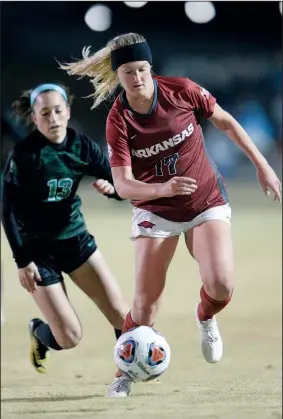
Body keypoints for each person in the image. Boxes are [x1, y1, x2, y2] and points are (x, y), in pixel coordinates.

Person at [61, 32, 282, 397]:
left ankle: (206, 316)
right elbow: (123, 185)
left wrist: (262, 166)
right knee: (145, 306)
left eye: (142, 69)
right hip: (155, 210)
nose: (137, 78)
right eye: (128, 72)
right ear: (118, 76)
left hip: (204, 201)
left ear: (151, 68)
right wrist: (162, 190)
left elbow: (225, 121)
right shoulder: (119, 120)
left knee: (221, 285)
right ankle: (123, 374)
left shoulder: (182, 90)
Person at [1, 83, 130, 374]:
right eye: (44, 113)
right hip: (37, 255)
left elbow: (121, 189)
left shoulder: (83, 147)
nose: (53, 119)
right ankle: (39, 332)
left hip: (76, 243)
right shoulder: (23, 156)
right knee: (69, 337)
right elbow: (7, 212)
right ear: (34, 118)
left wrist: (111, 190)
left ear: (68, 112)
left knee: (123, 317)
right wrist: (23, 262)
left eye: (58, 111)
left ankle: (128, 370)